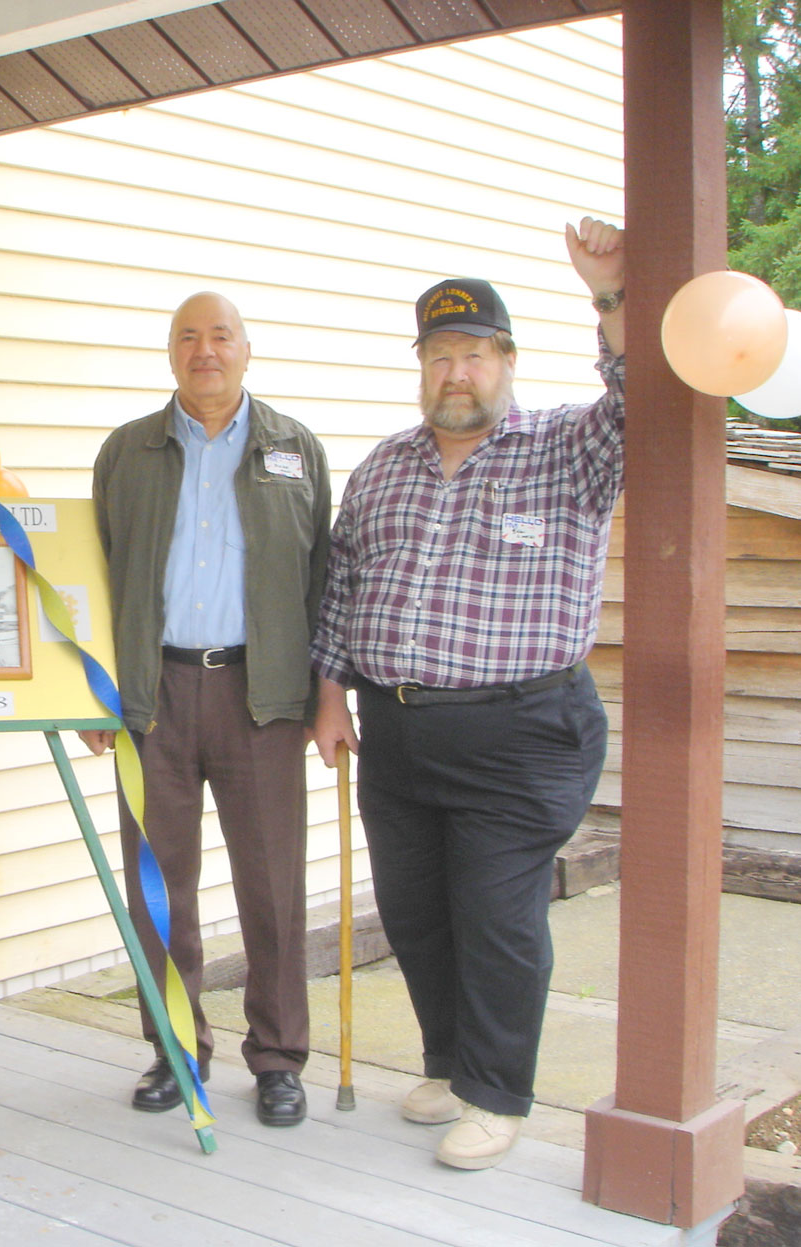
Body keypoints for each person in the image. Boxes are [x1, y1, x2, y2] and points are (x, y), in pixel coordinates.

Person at [311, 217, 625, 1170]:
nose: (457, 372)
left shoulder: (569, 448)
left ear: (507, 361)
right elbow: (341, 584)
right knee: (414, 909)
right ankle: (449, 1064)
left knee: (495, 914)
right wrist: (330, 691)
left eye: (475, 353)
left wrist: (610, 298)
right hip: (396, 731)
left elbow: (644, 401)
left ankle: (497, 1094)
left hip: (524, 731)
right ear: (422, 365)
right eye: (440, 354)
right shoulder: (383, 467)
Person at [82, 292, 332, 1127]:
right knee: (160, 885)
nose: (205, 351)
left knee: (273, 885)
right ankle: (175, 1046)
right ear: (170, 354)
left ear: (247, 350)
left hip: (261, 698)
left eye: (220, 335)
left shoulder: (296, 448)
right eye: (188, 337)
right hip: (153, 698)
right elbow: (95, 577)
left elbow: (322, 581)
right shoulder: (127, 452)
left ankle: (278, 1057)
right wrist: (96, 693)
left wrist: (326, 695)